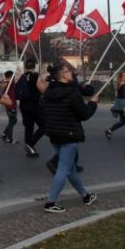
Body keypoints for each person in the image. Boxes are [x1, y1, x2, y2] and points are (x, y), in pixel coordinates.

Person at [41, 62, 98, 213]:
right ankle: (50, 202)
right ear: (62, 76)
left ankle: (85, 196)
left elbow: (44, 112)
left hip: (54, 134)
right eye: (68, 71)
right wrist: (93, 103)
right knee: (63, 169)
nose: (71, 73)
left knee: (70, 168)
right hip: (69, 135)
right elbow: (84, 114)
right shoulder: (72, 93)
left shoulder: (48, 92)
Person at [18, 59, 46, 157]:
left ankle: (30, 149)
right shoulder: (36, 76)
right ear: (35, 66)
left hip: (23, 105)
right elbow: (42, 90)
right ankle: (30, 144)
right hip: (34, 104)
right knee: (44, 125)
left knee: (28, 127)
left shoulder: (22, 76)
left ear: (25, 66)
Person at [0, 70, 17, 144]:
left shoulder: (6, 83)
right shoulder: (9, 83)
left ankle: (5, 135)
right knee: (12, 121)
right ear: (11, 76)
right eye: (13, 76)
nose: (14, 78)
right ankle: (7, 136)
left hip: (10, 104)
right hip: (11, 104)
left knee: (13, 121)